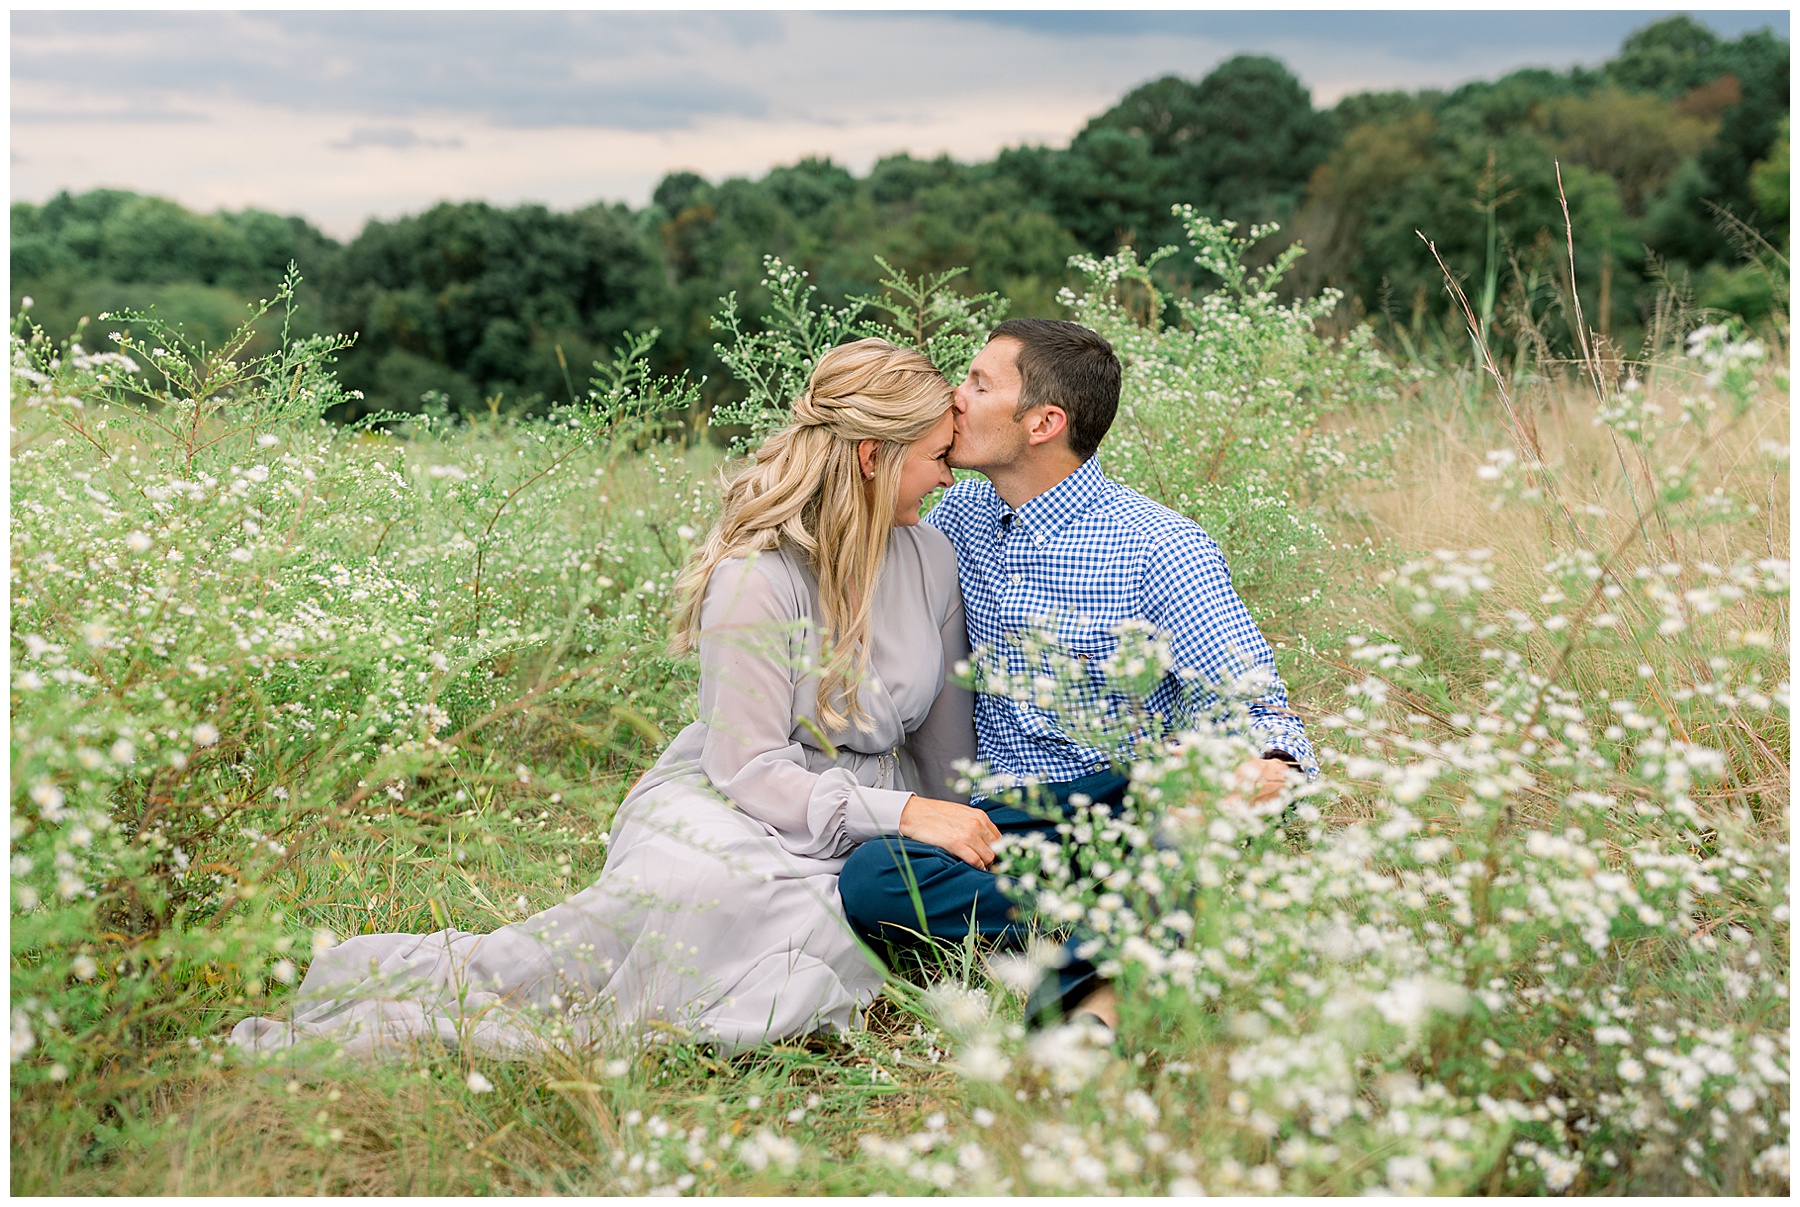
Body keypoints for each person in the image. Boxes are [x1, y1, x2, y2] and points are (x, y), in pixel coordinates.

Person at [232, 337, 996, 1060]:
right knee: (700, 895)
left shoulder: (931, 559)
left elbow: (943, 752)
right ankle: (459, 998)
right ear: (872, 456)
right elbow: (750, 766)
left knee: (813, 921)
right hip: (740, 796)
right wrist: (898, 816)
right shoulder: (756, 577)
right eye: (936, 458)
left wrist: (948, 833)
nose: (949, 479)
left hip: (871, 807)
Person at [837, 318, 1315, 1034]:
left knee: (1181, 818)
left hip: (1122, 804)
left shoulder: (1160, 547)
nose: (954, 398)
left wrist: (1267, 766)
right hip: (1006, 822)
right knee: (872, 877)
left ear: (1043, 422)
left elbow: (1258, 707)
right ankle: (1122, 924)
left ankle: (1083, 998)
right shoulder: (956, 516)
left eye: (978, 383)